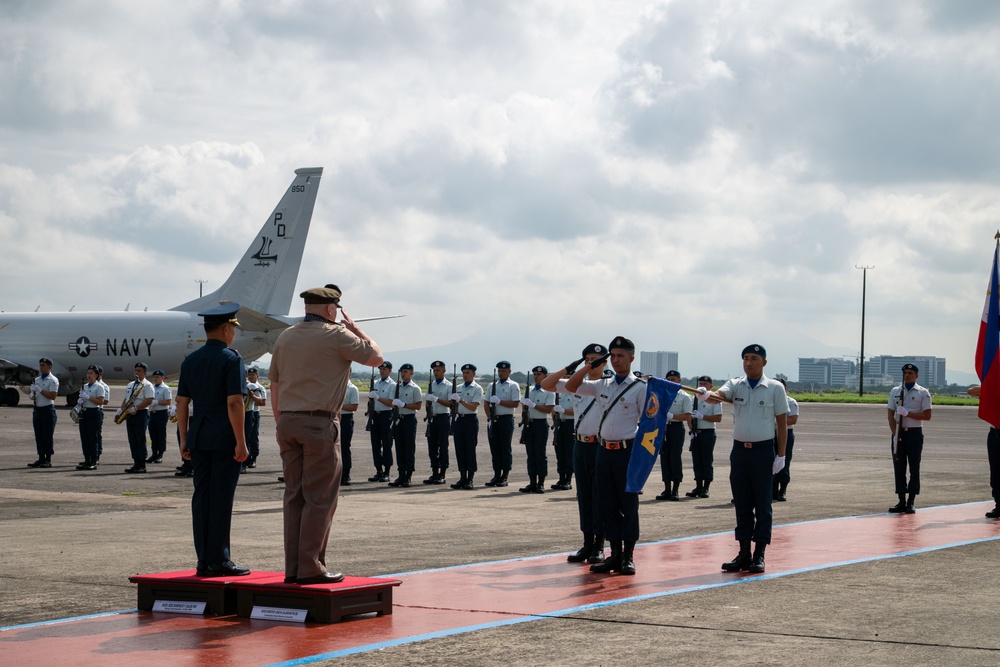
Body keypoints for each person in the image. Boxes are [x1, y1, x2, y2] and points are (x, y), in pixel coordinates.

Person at [270, 285, 383, 584]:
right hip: (318, 422)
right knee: (320, 498)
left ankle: (293, 568)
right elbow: (376, 358)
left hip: (288, 422)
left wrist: (281, 422)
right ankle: (311, 567)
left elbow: (275, 384)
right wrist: (357, 329)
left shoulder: (285, 336)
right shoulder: (337, 335)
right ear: (332, 309)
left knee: (294, 496)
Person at [175, 303, 251, 577]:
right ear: (227, 329)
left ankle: (204, 559)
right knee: (221, 498)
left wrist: (184, 439)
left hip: (198, 436)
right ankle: (219, 559)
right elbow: (234, 403)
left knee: (202, 498)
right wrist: (241, 442)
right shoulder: (232, 359)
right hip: (223, 438)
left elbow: (182, 402)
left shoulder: (191, 360)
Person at [701, 344, 787, 574]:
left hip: (762, 453)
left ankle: (759, 554)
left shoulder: (775, 388)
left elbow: (781, 423)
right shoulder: (736, 384)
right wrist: (707, 395)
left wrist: (781, 455)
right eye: (746, 358)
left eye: (754, 358)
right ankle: (744, 553)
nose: (749, 362)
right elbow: (718, 396)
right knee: (742, 504)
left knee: (763, 505)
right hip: (740, 452)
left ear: (764, 362)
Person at [565, 336, 646, 576]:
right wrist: (590, 365)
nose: (617, 359)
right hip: (603, 452)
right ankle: (614, 555)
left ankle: (628, 557)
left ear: (631, 358)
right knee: (607, 505)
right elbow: (571, 386)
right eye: (613, 355)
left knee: (628, 505)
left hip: (627, 452)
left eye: (621, 355)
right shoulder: (601, 385)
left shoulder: (640, 387)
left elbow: (648, 424)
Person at [541, 343, 608, 564]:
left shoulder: (609, 385)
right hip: (580, 445)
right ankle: (587, 543)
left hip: (600, 446)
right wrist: (573, 366)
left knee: (600, 496)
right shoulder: (576, 384)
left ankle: (599, 545)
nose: (593, 363)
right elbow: (546, 384)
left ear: (605, 362)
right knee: (584, 496)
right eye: (589, 359)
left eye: (597, 360)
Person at [887, 363, 933, 514]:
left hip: (914, 433)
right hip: (899, 434)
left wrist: (908, 413)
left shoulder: (923, 392)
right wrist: (895, 434)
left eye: (910, 373)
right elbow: (890, 415)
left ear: (916, 376)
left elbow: (927, 416)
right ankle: (901, 500)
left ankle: (911, 501)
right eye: (905, 373)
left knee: (914, 467)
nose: (907, 375)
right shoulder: (895, 391)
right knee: (899, 468)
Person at [519, 366, 556, 493]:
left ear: (545, 376)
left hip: (540, 424)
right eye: (534, 374)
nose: (536, 376)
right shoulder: (529, 390)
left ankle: (541, 483)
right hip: (529, 423)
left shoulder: (549, 391)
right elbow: (524, 406)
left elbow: (548, 409)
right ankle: (532, 482)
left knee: (540, 454)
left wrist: (534, 405)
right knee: (531, 455)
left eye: (539, 374)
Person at [656, 370, 692, 501]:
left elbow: (687, 416)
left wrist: (672, 416)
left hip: (676, 428)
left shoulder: (685, 396)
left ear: (679, 380)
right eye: (668, 379)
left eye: (673, 379)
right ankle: (666, 488)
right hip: (663, 428)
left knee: (675, 458)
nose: (670, 381)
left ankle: (675, 489)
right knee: (664, 458)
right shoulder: (661, 394)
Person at [685, 375, 723, 498]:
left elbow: (718, 418)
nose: (702, 386)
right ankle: (698, 486)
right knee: (697, 461)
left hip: (708, 432)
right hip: (696, 433)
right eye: (700, 383)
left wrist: (702, 417)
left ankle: (706, 487)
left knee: (707, 460)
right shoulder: (694, 399)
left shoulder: (714, 399)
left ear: (711, 386)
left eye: (705, 384)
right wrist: (691, 429)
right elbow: (689, 416)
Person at [484, 361, 519, 487]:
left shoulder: (513, 385)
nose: (500, 373)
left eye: (503, 371)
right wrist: (489, 417)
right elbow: (486, 403)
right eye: (499, 370)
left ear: (509, 371)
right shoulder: (492, 385)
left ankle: (504, 476)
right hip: (494, 420)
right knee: (495, 448)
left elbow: (515, 403)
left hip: (506, 420)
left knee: (504, 448)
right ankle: (496, 474)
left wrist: (500, 402)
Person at [388, 363, 423, 488]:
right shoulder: (396, 387)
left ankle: (408, 476)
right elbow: (392, 402)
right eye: (402, 372)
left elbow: (418, 406)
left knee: (409, 448)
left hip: (409, 419)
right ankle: (400, 474)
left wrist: (404, 405)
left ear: (411, 373)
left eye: (406, 372)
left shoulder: (415, 388)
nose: (403, 374)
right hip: (398, 419)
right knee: (399, 448)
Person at [451, 364, 483, 489]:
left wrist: (461, 401)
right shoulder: (458, 387)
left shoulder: (477, 388)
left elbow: (473, 406)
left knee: (470, 450)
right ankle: (462, 477)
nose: (465, 375)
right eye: (464, 372)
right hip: (459, 419)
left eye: (468, 372)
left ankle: (470, 479)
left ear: (474, 373)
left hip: (470, 420)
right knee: (460, 450)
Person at [119, 363, 155, 474]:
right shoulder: (130, 384)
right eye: (136, 370)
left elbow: (149, 400)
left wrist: (137, 407)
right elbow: (126, 398)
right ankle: (135, 462)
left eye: (139, 371)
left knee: (140, 438)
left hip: (141, 413)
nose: (137, 373)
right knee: (132, 438)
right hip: (130, 413)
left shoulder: (147, 385)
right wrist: (122, 408)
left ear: (145, 373)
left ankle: (142, 464)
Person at [424, 361, 453, 485]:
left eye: (438, 370)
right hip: (432, 418)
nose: (436, 372)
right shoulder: (431, 385)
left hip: (443, 417)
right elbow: (427, 402)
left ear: (444, 370)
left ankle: (442, 473)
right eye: (434, 370)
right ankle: (434, 472)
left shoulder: (449, 386)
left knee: (443, 446)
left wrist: (436, 399)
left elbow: (450, 403)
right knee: (432, 447)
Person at [27, 358, 59, 468]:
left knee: (47, 435)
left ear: (50, 367)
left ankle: (48, 459)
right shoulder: (37, 380)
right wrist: (32, 395)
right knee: (39, 435)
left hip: (48, 410)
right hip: (38, 410)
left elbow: (53, 396)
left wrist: (39, 390)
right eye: (40, 365)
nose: (41, 367)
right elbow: (34, 393)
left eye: (44, 365)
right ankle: (40, 458)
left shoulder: (53, 380)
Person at [367, 361, 396, 482]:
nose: (382, 371)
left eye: (384, 369)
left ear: (390, 371)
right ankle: (378, 470)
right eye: (380, 369)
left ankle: (387, 471)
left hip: (386, 415)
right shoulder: (375, 383)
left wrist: (377, 397)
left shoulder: (392, 385)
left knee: (387, 444)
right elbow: (370, 401)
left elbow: (391, 403)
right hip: (375, 415)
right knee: (375, 444)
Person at [75, 365, 107, 471]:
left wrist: (88, 397)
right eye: (88, 373)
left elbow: (101, 401)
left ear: (96, 375)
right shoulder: (85, 386)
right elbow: (82, 399)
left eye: (91, 373)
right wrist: (80, 401)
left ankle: (93, 460)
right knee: (84, 437)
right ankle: (86, 459)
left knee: (93, 437)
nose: (89, 375)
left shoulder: (99, 387)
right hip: (84, 412)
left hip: (94, 412)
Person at [773, 378, 798, 501]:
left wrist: (777, 422)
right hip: (770, 433)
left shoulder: (791, 402)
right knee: (770, 462)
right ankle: (773, 489)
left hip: (786, 433)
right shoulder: (769, 401)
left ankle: (782, 490)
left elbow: (793, 419)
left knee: (784, 461)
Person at [243, 367, 267, 471]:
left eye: (253, 374)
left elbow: (262, 403)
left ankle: (253, 458)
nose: (251, 376)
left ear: (257, 376)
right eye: (249, 374)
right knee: (246, 436)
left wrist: (252, 396)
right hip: (246, 412)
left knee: (253, 436)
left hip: (254, 413)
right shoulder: (246, 385)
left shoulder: (259, 387)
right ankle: (247, 458)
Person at [550, 389, 575, 491]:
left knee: (569, 452)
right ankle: (561, 478)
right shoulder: (558, 394)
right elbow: (553, 409)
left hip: (570, 423)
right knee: (559, 452)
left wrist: (564, 411)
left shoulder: (576, 394)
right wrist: (555, 418)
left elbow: (577, 410)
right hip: (559, 423)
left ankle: (568, 480)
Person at [147, 369, 172, 464]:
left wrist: (157, 402)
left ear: (163, 378)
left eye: (157, 377)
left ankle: (160, 454)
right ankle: (154, 453)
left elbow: (168, 402)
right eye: (154, 377)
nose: (155, 378)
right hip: (152, 413)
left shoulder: (165, 388)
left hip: (161, 413)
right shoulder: (152, 388)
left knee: (161, 434)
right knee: (153, 434)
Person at [340, 379, 360, 485]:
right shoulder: (334, 386)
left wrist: (339, 405)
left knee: (344, 447)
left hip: (346, 418)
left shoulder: (352, 388)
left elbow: (354, 406)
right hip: (334, 418)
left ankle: (346, 474)